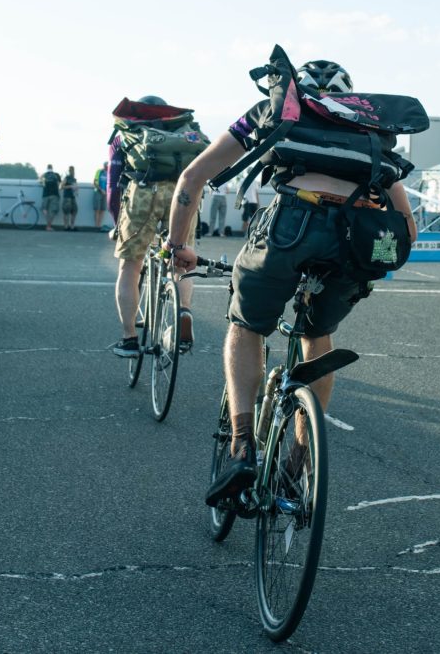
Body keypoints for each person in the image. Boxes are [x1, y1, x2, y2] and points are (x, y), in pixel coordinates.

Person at [166, 56, 420, 509]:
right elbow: (407, 225)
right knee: (317, 335)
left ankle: (242, 448)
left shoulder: (276, 110)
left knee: (246, 326)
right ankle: (299, 461)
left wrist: (178, 244)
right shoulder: (372, 129)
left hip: (291, 226)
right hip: (353, 241)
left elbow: (193, 177)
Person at [107, 95, 208, 358]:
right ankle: (183, 310)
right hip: (184, 192)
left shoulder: (125, 132)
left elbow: (112, 183)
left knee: (130, 265)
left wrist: (116, 221)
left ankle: (129, 338)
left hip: (143, 192)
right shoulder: (183, 130)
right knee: (181, 259)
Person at [39, 164, 60, 232]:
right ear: (52, 168)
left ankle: (47, 220)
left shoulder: (44, 175)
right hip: (54, 194)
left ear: (47, 168)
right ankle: (48, 226)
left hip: (45, 194)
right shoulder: (56, 175)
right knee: (52, 211)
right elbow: (59, 184)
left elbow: (40, 182)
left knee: (44, 209)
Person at [60, 166, 79, 231]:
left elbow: (76, 187)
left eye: (73, 170)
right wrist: (70, 186)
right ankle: (66, 226)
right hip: (67, 197)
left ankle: (72, 226)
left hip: (73, 197)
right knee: (66, 212)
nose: (72, 172)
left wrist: (76, 190)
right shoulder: (66, 178)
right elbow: (61, 187)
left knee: (74, 211)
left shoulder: (74, 179)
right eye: (71, 170)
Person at [91, 165, 108, 230]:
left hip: (105, 193)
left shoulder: (109, 173)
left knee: (102, 209)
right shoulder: (99, 172)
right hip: (98, 191)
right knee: (97, 209)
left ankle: (99, 225)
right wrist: (101, 190)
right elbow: (94, 182)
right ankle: (96, 226)